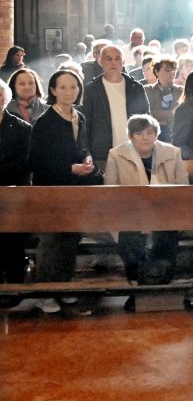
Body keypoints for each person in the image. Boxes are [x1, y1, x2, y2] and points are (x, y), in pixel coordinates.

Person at [29, 70, 101, 313]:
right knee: (51, 241)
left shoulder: (78, 116)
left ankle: (63, 286)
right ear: (52, 90)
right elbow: (37, 160)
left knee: (70, 238)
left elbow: (82, 147)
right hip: (51, 190)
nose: (69, 92)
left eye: (73, 87)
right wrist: (70, 167)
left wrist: (87, 159)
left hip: (75, 189)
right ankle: (44, 292)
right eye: (63, 87)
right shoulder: (45, 121)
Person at [103, 114, 188, 286]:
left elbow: (183, 186)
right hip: (130, 213)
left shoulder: (173, 152)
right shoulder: (116, 154)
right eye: (139, 133)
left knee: (166, 237)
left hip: (165, 211)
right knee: (130, 238)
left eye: (150, 133)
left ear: (156, 134)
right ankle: (136, 285)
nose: (145, 137)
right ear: (131, 136)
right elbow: (110, 190)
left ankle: (162, 283)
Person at [82, 44, 151, 170]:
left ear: (123, 61)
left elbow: (146, 119)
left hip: (133, 151)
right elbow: (86, 124)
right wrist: (87, 152)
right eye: (108, 59)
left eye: (117, 58)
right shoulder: (92, 89)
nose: (113, 62)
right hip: (103, 154)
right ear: (100, 62)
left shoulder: (135, 87)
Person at [0, 79, 32, 287]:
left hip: (13, 190)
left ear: (5, 98)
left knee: (13, 241)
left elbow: (26, 163)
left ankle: (14, 286)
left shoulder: (22, 128)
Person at [143, 55, 181, 141]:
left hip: (177, 137)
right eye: (167, 70)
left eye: (174, 70)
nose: (171, 73)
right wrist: (171, 113)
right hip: (153, 137)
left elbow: (184, 115)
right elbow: (146, 114)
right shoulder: (147, 90)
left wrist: (160, 115)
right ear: (156, 71)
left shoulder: (182, 91)